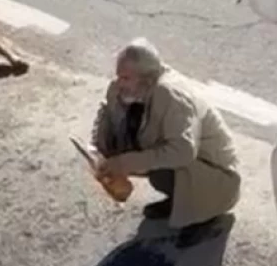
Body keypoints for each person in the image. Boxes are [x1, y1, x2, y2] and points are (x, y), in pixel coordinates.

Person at [90, 37, 242, 248]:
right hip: (191, 164)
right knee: (152, 163)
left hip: (217, 176)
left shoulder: (171, 95)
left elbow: (183, 151)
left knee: (162, 165)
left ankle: (204, 214)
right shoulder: (130, 89)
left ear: (147, 79)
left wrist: (124, 163)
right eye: (118, 76)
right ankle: (180, 201)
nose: (118, 83)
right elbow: (106, 111)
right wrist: (98, 151)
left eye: (125, 78)